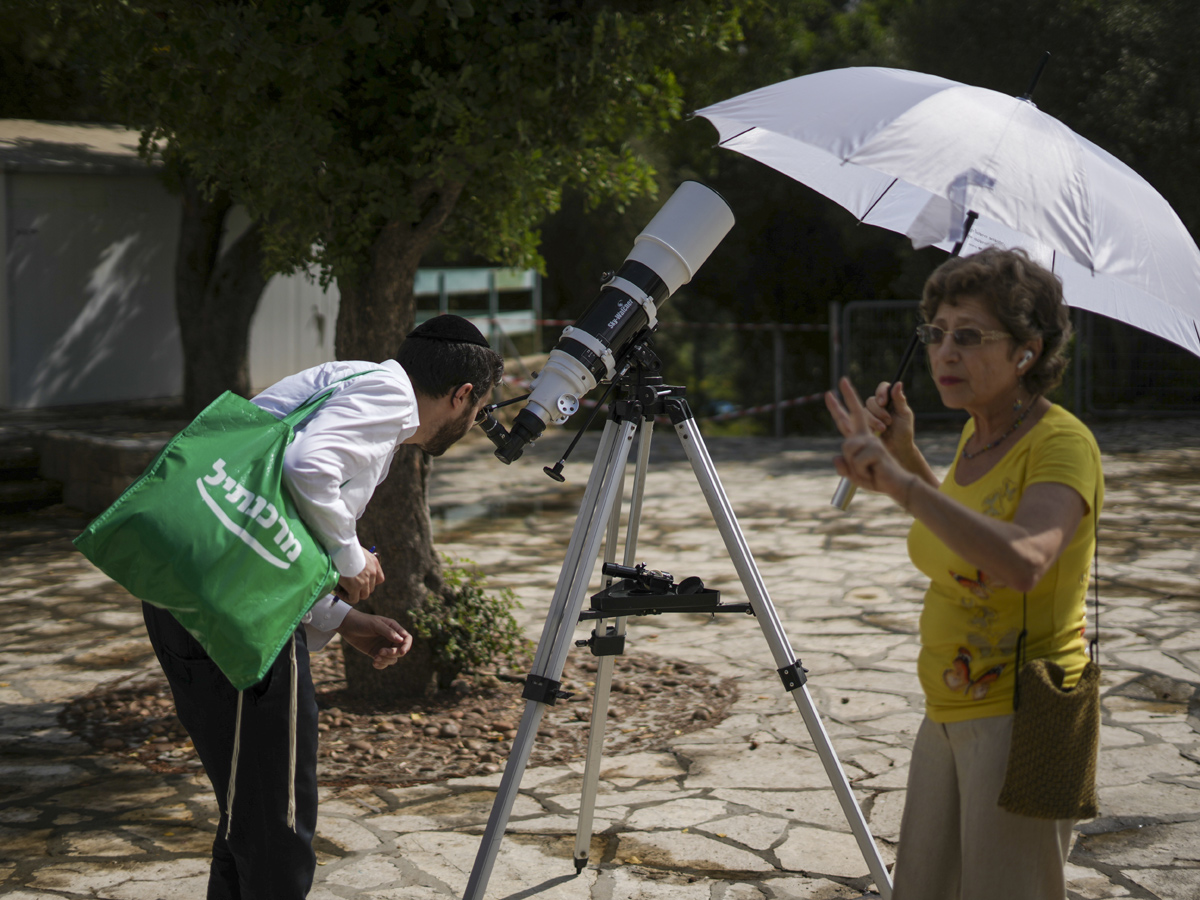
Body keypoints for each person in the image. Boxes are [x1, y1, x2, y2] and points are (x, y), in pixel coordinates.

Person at [142, 314, 504, 900]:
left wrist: (338, 618)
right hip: (239, 616)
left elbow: (272, 525)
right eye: (479, 410)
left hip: (188, 593)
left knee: (248, 814)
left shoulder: (345, 381)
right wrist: (351, 555)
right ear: (462, 394)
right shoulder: (389, 397)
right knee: (277, 830)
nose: (471, 423)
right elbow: (306, 468)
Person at [825, 248, 1103, 900]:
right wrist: (910, 458)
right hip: (949, 707)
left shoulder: (1060, 444)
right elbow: (960, 544)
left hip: (1021, 713)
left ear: (1027, 352)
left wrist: (899, 484)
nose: (944, 352)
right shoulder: (978, 440)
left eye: (969, 336)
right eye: (936, 334)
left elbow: (1025, 559)